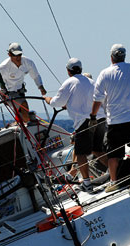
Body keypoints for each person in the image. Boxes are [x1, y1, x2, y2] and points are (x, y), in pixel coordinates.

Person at [91, 44, 130, 193]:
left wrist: (93, 116)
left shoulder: (105, 73)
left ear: (111, 57)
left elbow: (97, 98)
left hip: (115, 120)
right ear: (124, 56)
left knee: (114, 154)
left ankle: (114, 182)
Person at [44, 58, 95, 193]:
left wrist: (47, 99)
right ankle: (117, 175)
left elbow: (56, 102)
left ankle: (87, 184)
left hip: (82, 123)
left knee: (80, 153)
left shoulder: (69, 82)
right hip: (97, 120)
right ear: (81, 69)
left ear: (68, 71)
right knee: (98, 149)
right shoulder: (91, 82)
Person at [0, 42, 47, 123]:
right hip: (7, 94)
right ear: (9, 54)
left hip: (20, 93)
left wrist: (41, 87)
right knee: (24, 105)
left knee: (23, 111)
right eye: (15, 55)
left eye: (19, 54)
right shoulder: (3, 67)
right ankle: (26, 125)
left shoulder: (28, 62)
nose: (18, 57)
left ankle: (21, 124)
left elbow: (35, 76)